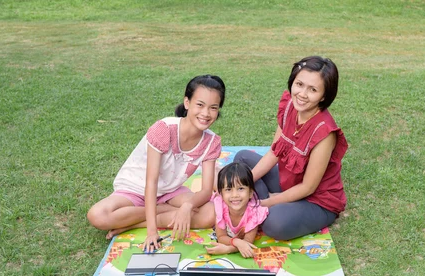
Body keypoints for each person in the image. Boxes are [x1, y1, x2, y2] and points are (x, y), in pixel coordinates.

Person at [87, 75, 226, 252]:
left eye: (213, 108)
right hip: (136, 187)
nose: (206, 113)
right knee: (98, 216)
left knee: (212, 213)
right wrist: (152, 232)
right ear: (186, 103)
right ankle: (158, 212)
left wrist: (187, 205)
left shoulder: (211, 142)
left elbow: (206, 190)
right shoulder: (164, 129)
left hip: (170, 192)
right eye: (200, 105)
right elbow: (151, 182)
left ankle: (135, 223)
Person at [234, 56, 348, 241]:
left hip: (315, 200)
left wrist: (266, 203)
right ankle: (260, 202)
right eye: (299, 84)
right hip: (289, 182)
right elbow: (274, 152)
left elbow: (308, 187)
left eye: (313, 90)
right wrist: (241, 184)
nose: (302, 94)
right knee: (242, 160)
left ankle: (263, 205)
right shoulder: (290, 106)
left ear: (324, 95)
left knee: (275, 223)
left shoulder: (324, 132)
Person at [205, 162, 269, 258]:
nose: (235, 195)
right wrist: (237, 241)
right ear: (222, 195)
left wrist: (228, 249)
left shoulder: (254, 213)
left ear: (251, 193)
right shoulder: (220, 207)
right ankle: (215, 171)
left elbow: (247, 243)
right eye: (229, 189)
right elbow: (221, 236)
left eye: (240, 188)